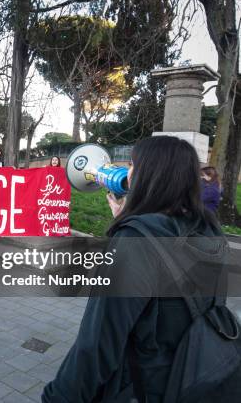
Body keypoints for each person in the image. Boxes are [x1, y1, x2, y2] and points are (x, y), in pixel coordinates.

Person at [42, 136, 229, 403]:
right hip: (194, 372)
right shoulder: (209, 228)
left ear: (149, 175)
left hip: (147, 386)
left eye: (132, 164)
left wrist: (58, 397)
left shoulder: (136, 242)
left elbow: (98, 344)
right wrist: (129, 221)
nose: (128, 171)